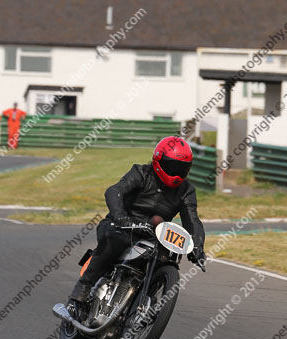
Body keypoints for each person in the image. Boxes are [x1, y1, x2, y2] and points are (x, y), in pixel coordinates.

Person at [67, 136, 206, 317]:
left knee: (167, 257)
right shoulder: (141, 173)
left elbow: (192, 220)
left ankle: (140, 297)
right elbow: (114, 191)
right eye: (172, 167)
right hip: (121, 225)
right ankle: (83, 287)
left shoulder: (186, 190)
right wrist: (121, 217)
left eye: (182, 168)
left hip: (152, 234)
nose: (177, 173)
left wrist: (197, 246)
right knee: (114, 240)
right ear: (158, 161)